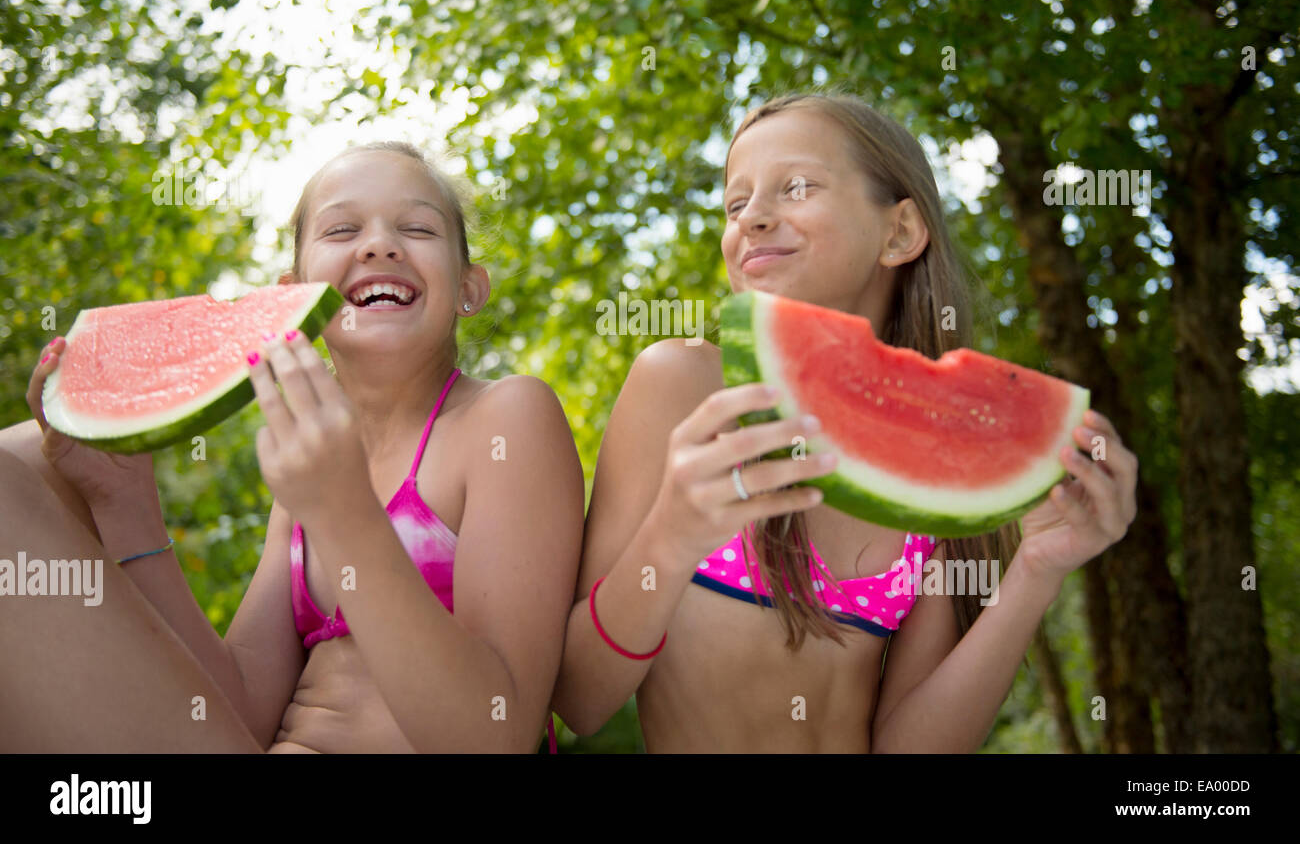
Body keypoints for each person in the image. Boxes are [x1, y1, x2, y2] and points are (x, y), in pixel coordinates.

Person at [550, 93, 1139, 752]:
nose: (753, 218)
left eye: (795, 187)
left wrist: (1037, 568)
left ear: (900, 232)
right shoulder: (682, 382)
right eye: (735, 203)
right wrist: (669, 538)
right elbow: (580, 698)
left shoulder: (945, 453)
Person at [0, 141, 584, 752]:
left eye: (416, 227)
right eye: (342, 229)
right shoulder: (313, 474)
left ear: (470, 287)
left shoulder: (505, 417)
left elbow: (497, 732)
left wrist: (343, 512)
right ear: (294, 294)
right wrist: (124, 504)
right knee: (29, 456)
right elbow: (238, 709)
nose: (380, 244)